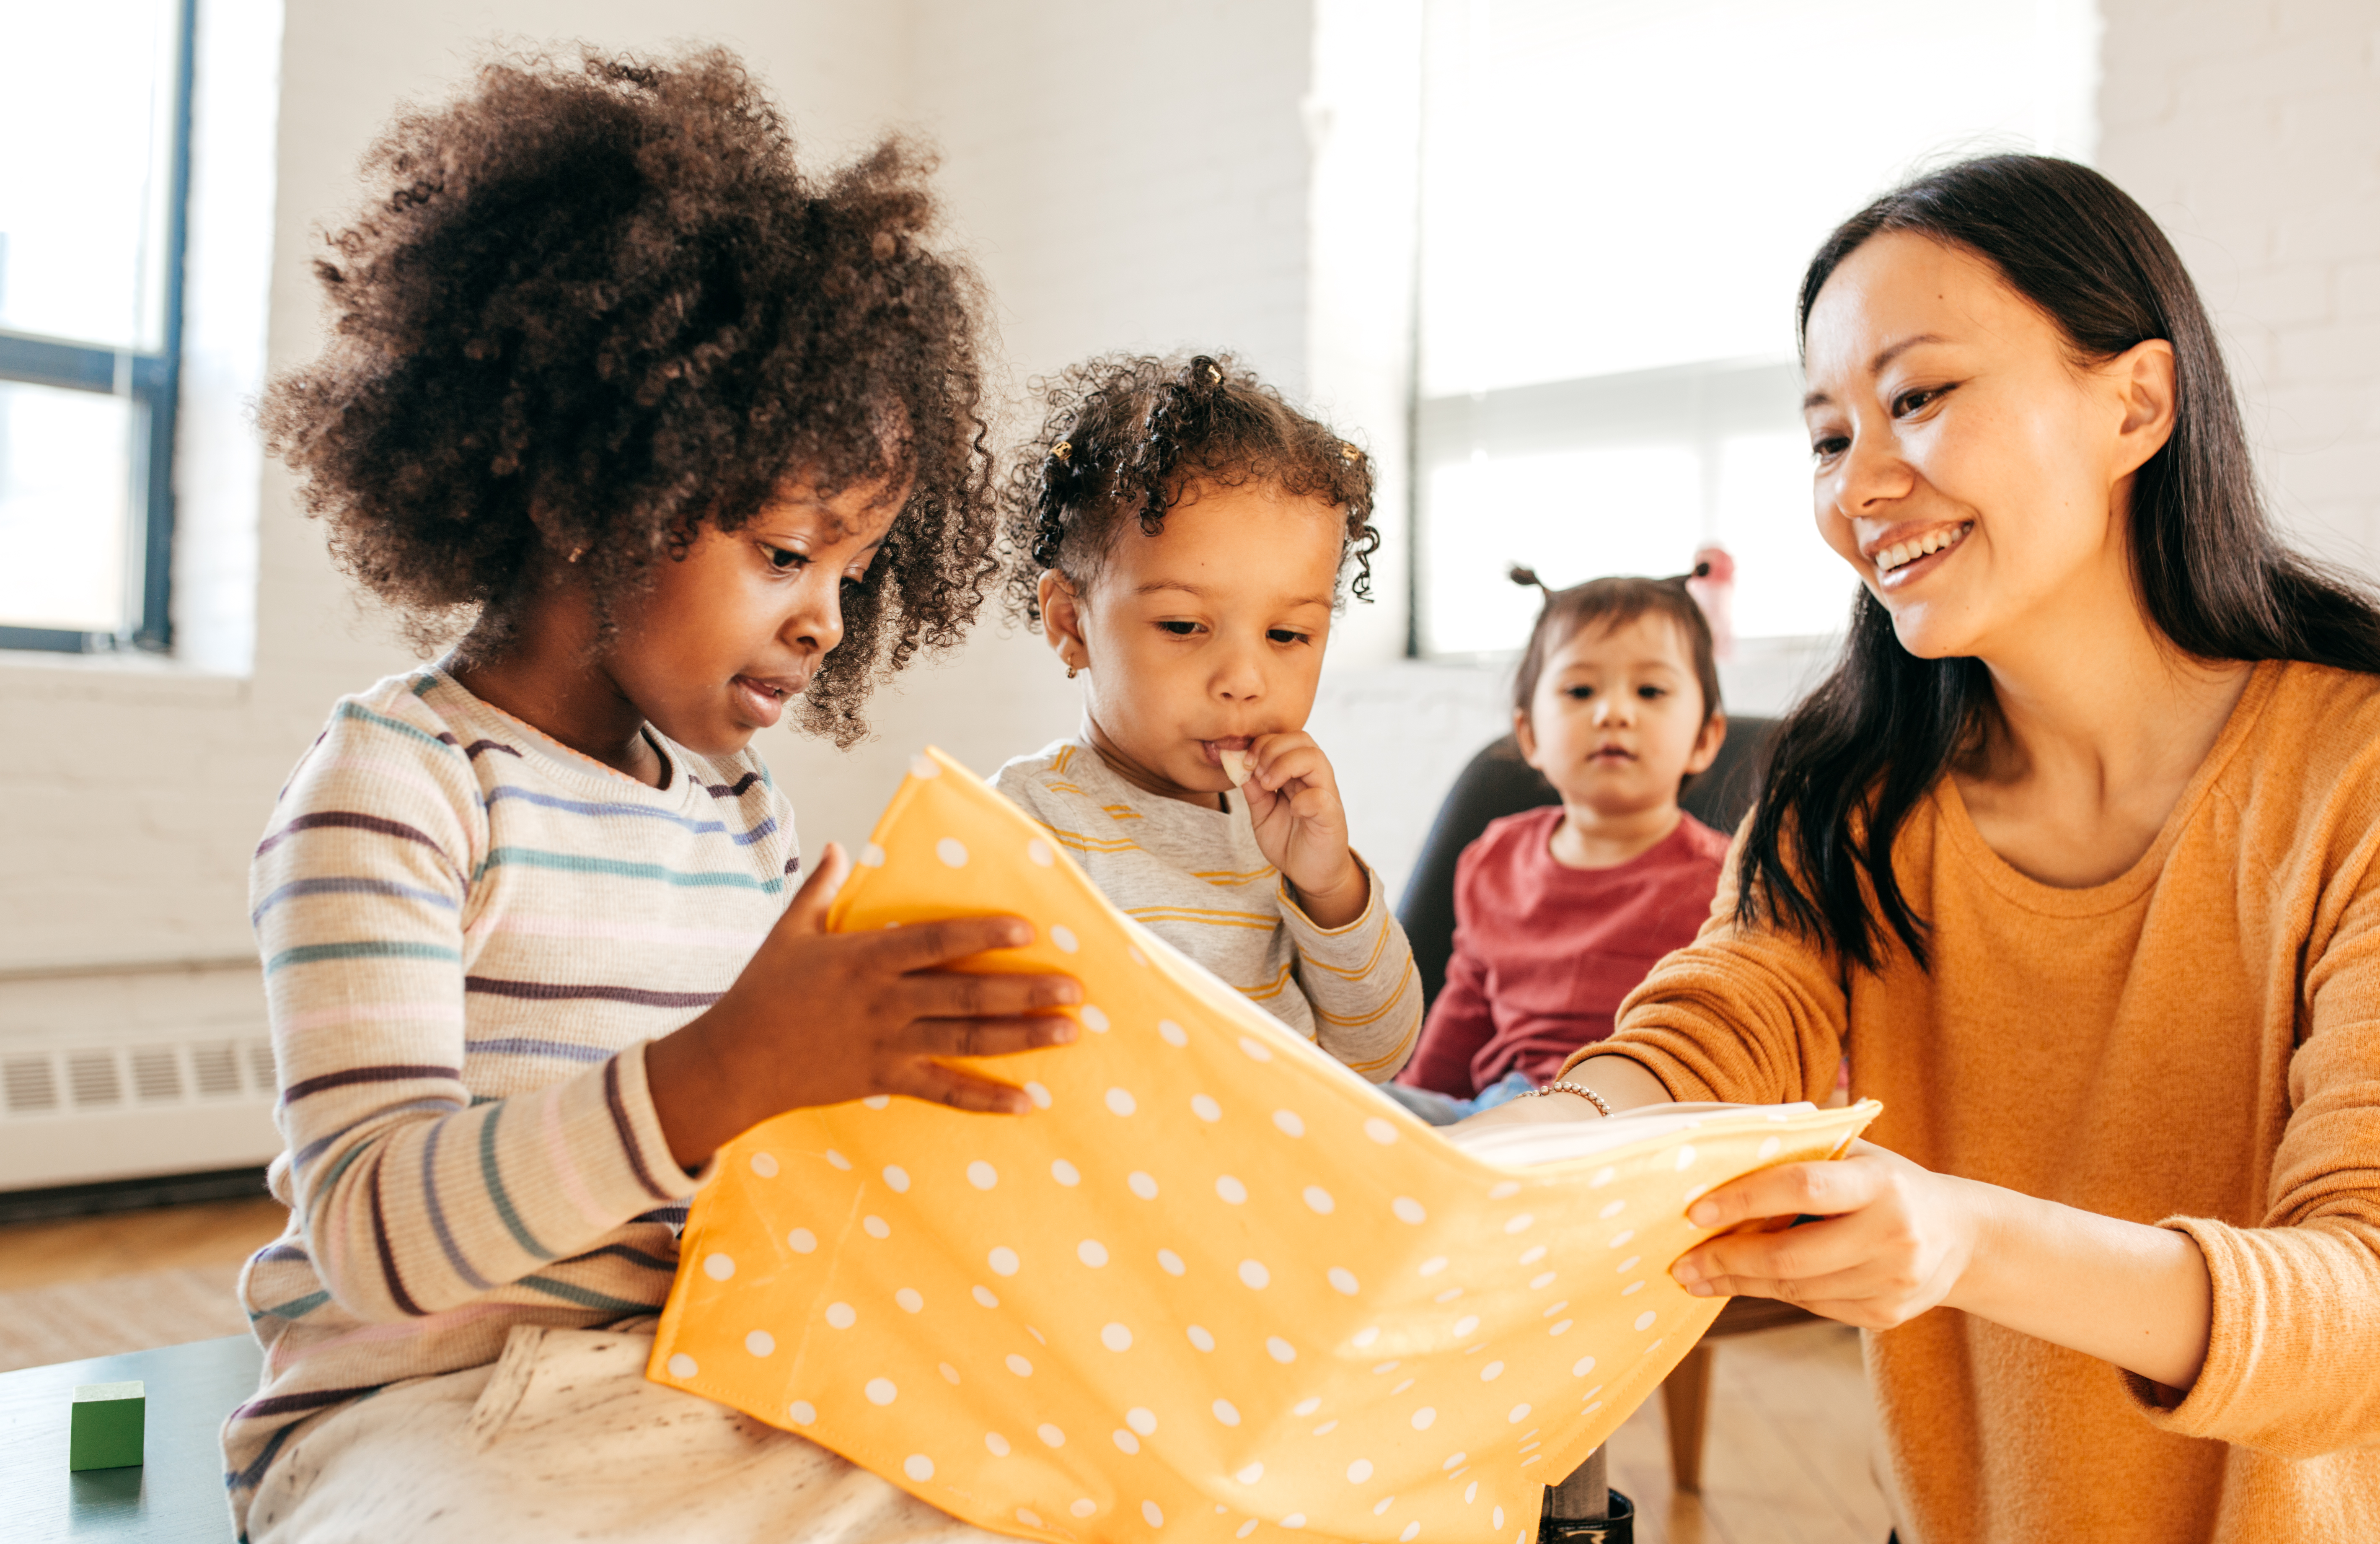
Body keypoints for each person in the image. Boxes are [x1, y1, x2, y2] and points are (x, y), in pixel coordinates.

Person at [1463, 154, 2380, 1543]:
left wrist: (1968, 1239)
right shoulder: (1848, 793)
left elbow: (2361, 1316)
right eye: (1830, 435)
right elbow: (1702, 1044)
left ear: (2136, 402)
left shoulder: (2349, 781)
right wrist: (1492, 1170)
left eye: (1920, 398)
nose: (1861, 486)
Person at [226, 49, 1075, 1543]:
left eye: (853, 573)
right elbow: (369, 1235)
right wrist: (716, 1077)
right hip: (427, 1410)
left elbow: (771, 1171)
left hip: (708, 1380)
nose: (824, 621)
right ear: (593, 492)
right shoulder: (400, 790)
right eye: (785, 551)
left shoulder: (739, 813)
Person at [988, 354, 1421, 1082]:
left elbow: (1379, 1058)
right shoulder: (1027, 825)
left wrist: (1329, 888)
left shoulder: (1283, 830)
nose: (1245, 682)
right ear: (1071, 622)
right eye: (1186, 626)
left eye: (1287, 636)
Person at [1385, 569, 1728, 1125]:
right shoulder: (1494, 859)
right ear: (1530, 736)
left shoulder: (1728, 882)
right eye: (1579, 691)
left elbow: (1776, 1024)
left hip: (1640, 1125)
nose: (1613, 713)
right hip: (1500, 1113)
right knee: (1348, 1103)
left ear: (1706, 738)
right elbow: (1465, 1010)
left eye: (1650, 691)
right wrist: (1405, 1108)